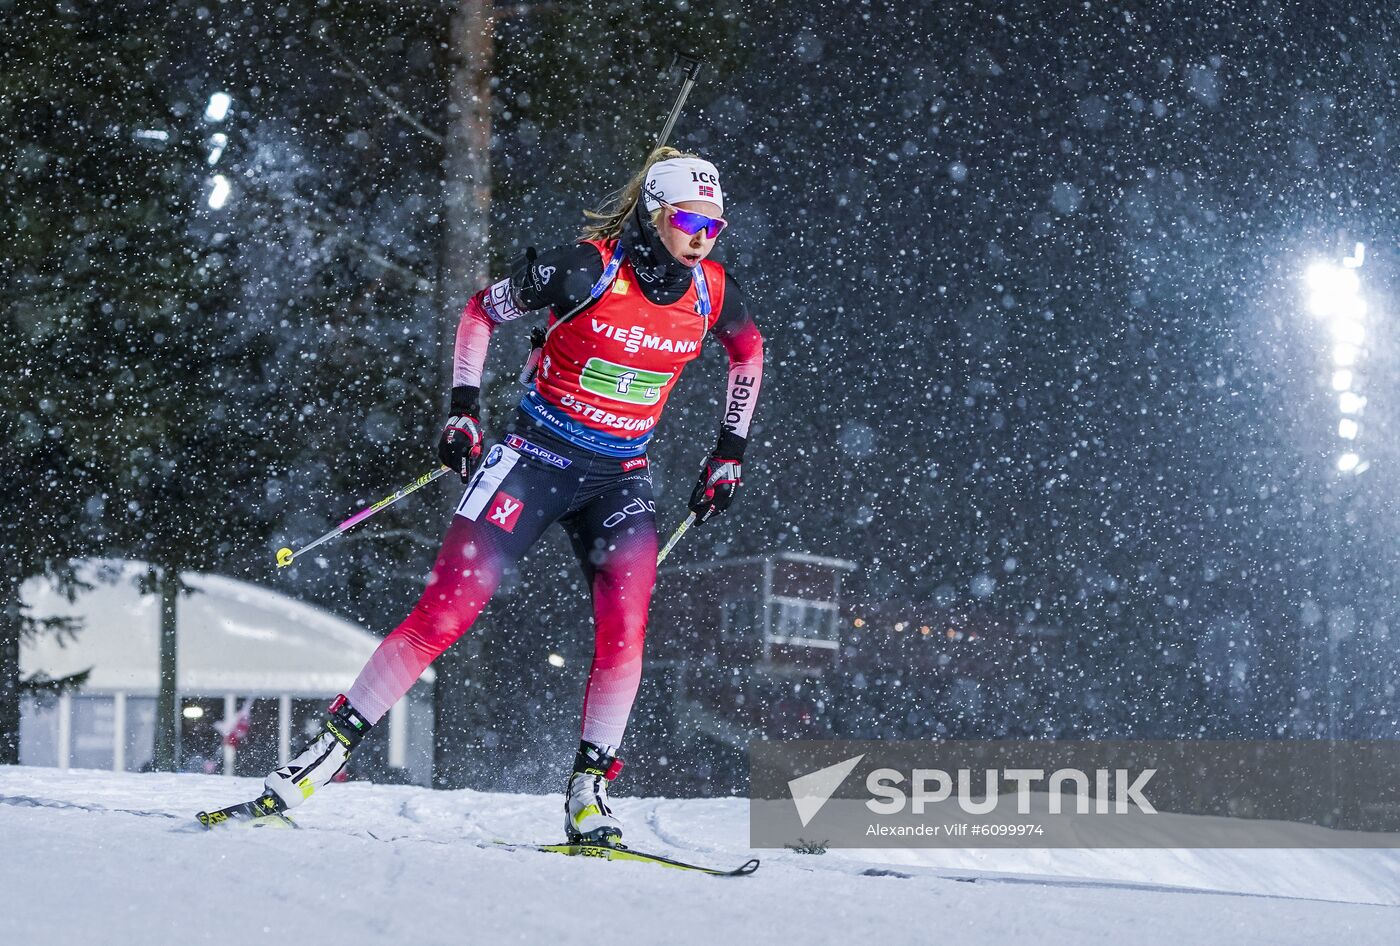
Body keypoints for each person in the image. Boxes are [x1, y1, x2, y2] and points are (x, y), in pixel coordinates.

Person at [244, 147, 763, 844]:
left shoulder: (712, 291)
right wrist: (463, 408)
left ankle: (588, 793)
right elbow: (480, 311)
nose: (703, 236)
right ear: (655, 213)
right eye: (690, 219)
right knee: (446, 614)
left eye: (715, 224)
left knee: (626, 631)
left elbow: (748, 354)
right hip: (533, 460)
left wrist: (728, 452)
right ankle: (324, 754)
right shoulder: (585, 268)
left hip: (619, 478)